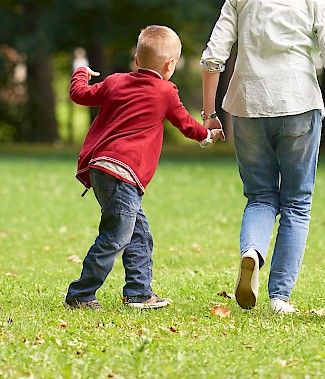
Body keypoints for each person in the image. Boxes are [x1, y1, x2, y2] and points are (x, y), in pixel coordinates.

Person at [200, 0, 325, 314]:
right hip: (299, 106)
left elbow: (213, 58)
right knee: (296, 202)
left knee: (259, 195)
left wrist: (209, 116)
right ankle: (279, 296)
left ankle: (252, 253)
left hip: (246, 107)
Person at [65, 25, 225, 310]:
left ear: (136, 59)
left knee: (138, 233)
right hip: (124, 174)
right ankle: (81, 294)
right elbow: (186, 124)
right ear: (170, 65)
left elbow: (80, 94)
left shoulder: (115, 82)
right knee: (115, 237)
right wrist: (207, 135)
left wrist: (80, 73)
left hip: (101, 169)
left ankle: (139, 292)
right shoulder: (165, 91)